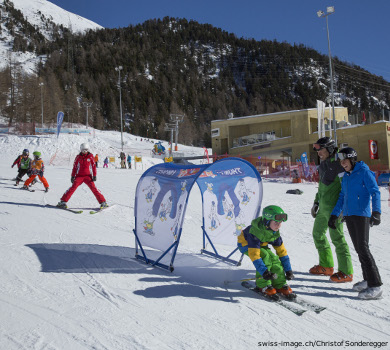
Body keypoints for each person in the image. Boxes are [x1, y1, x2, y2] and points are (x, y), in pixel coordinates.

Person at [329, 147, 382, 299]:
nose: (342, 163)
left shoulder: (364, 172)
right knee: (359, 250)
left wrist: (376, 212)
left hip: (361, 215)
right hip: (349, 215)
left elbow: (375, 191)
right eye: (341, 161)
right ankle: (367, 280)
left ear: (352, 159)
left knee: (364, 249)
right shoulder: (346, 176)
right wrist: (334, 214)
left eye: (345, 160)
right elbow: (342, 196)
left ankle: (376, 285)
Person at [309, 137, 353, 282]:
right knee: (317, 234)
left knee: (337, 238)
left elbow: (346, 187)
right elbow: (322, 187)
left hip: (335, 209)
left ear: (329, 149)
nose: (319, 152)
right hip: (323, 207)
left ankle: (346, 272)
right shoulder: (323, 165)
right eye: (317, 150)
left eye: (321, 149)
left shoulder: (340, 164)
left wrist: (343, 209)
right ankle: (326, 265)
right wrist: (316, 202)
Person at [237, 205, 295, 299]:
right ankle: (262, 285)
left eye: (280, 222)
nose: (278, 225)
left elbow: (282, 252)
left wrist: (288, 270)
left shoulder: (274, 232)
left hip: (261, 244)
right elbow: (254, 255)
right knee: (265, 256)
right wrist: (264, 272)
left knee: (274, 259)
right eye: (276, 222)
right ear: (267, 221)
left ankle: (279, 284)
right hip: (246, 244)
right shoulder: (255, 232)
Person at [57, 143, 108, 209]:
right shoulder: (78, 157)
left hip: (88, 176)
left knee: (94, 188)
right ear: (81, 150)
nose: (85, 151)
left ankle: (103, 202)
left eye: (86, 150)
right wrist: (73, 176)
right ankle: (63, 202)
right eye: (83, 150)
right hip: (79, 176)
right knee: (73, 187)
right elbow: (75, 167)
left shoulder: (90, 156)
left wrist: (94, 175)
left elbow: (93, 166)